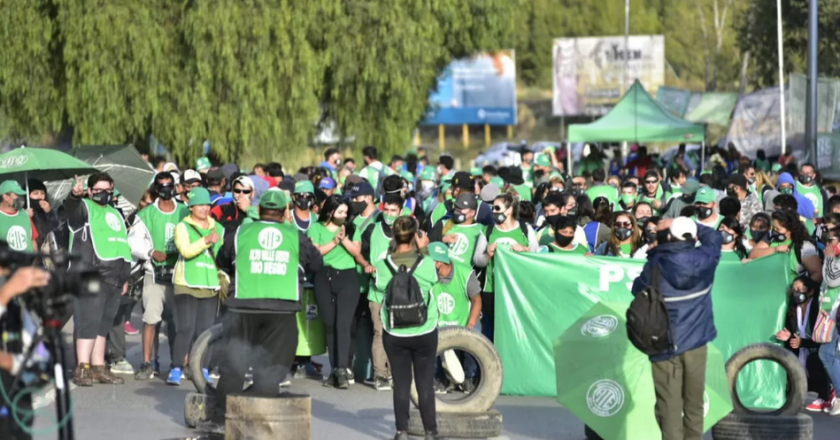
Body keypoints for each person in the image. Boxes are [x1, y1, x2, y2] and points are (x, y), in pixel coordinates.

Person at [201, 190, 323, 433]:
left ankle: (219, 421)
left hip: (242, 307)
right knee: (271, 370)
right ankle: (257, 424)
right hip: (281, 309)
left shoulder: (240, 233)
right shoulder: (296, 237)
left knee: (234, 368)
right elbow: (317, 264)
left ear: (260, 209)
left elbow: (223, 260)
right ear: (283, 212)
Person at [631, 217, 721, 440]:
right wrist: (688, 223)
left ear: (669, 236)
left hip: (663, 342)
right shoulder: (707, 258)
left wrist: (656, 249)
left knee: (669, 407)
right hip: (697, 344)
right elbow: (715, 236)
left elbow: (637, 289)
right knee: (694, 405)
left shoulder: (657, 263)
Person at [371, 216, 440, 440]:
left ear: (393, 235)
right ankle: (430, 432)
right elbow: (433, 282)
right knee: (425, 384)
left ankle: (401, 431)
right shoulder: (426, 263)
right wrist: (425, 249)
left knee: (401, 383)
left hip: (395, 332)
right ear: (415, 235)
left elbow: (380, 288)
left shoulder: (383, 265)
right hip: (425, 330)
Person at [67, 173, 132, 386]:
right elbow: (71, 209)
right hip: (90, 275)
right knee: (88, 322)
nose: (103, 194)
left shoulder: (115, 213)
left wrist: (124, 277)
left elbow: (120, 245)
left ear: (112, 189)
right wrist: (74, 196)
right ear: (89, 190)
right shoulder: (83, 208)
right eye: (98, 190)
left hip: (114, 278)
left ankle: (97, 367)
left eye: (107, 190)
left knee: (103, 324)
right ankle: (82, 368)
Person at [133, 173, 189, 380]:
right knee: (151, 319)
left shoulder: (185, 210)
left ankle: (180, 363)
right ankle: (148, 362)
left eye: (169, 185)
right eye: (161, 186)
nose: (166, 189)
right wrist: (150, 253)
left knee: (179, 322)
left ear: (174, 187)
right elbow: (133, 242)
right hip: (154, 274)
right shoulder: (146, 214)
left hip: (180, 274)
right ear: (156, 188)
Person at [168, 187, 223, 386]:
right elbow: (186, 250)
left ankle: (203, 369)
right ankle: (176, 367)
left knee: (206, 331)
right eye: (200, 204)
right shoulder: (182, 227)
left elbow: (222, 254)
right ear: (191, 207)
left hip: (210, 285)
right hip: (186, 284)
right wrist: (206, 240)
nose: (204, 208)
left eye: (207, 204)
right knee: (186, 328)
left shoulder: (218, 227)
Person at [309, 196, 362, 389]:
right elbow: (315, 253)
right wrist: (334, 241)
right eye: (340, 212)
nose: (344, 216)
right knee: (329, 324)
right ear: (330, 211)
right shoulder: (316, 227)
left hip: (348, 277)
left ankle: (342, 369)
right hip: (324, 276)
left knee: (343, 324)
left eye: (346, 212)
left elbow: (357, 252)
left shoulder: (352, 227)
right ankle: (334, 370)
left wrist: (344, 238)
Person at [475, 193, 538, 341]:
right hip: (492, 289)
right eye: (493, 208)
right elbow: (477, 260)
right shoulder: (488, 231)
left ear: (509, 210)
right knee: (495, 331)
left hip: (519, 288)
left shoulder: (525, 229)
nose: (494, 212)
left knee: (517, 329)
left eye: (497, 208)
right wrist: (488, 255)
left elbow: (538, 254)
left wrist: (525, 249)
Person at [0, 264, 52, 440]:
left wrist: (14, 363)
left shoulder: (17, 311)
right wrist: (5, 294)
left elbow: (41, 361)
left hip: (15, 423)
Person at [360, 193, 404, 390]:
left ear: (401, 212)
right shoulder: (372, 229)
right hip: (377, 292)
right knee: (380, 333)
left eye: (393, 211)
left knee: (398, 335)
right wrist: (367, 266)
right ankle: (380, 375)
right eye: (386, 210)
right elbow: (361, 254)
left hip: (400, 294)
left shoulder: (407, 232)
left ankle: (397, 373)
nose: (388, 214)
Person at [427, 241, 482, 393]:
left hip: (465, 319)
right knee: (429, 339)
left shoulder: (465, 273)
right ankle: (440, 378)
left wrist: (470, 324)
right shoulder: (427, 276)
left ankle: (469, 378)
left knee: (474, 335)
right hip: (440, 321)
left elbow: (477, 301)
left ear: (438, 262)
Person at [775, 276, 833, 412]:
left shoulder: (817, 307)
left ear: (811, 291)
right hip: (801, 352)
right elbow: (793, 338)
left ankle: (824, 396)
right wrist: (788, 337)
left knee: (816, 359)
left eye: (800, 289)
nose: (796, 293)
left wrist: (803, 343)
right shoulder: (793, 309)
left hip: (817, 349)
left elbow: (822, 338)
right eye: (794, 289)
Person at [750, 209, 822, 283]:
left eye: (778, 229)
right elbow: (752, 254)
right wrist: (774, 250)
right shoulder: (770, 238)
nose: (774, 231)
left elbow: (817, 273)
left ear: (790, 231)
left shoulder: (804, 247)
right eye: (773, 228)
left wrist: (802, 287)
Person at [432, 193, 487, 271]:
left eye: (462, 208)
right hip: (440, 273)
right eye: (457, 207)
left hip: (463, 278)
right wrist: (442, 239)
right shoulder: (444, 224)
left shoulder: (482, 230)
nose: (458, 211)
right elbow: (428, 246)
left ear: (472, 213)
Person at [818, 228, 840, 415]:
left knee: (826, 354)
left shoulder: (834, 260)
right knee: (828, 354)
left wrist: (830, 258)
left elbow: (832, 281)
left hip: (836, 316)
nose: (828, 246)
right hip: (829, 315)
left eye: (832, 241)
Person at [0, 180, 37, 252]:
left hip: (28, 262)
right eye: (16, 195)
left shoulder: (25, 214)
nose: (19, 198)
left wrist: (35, 260)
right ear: (6, 197)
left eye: (20, 195)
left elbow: (33, 240)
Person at [26, 178, 57, 250]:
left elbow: (56, 229)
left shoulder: (47, 210)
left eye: (42, 193)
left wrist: (49, 213)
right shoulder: (22, 212)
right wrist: (24, 217)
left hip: (48, 251)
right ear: (27, 195)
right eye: (35, 193)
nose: (40, 196)